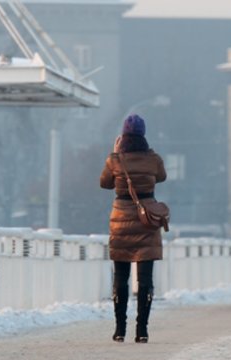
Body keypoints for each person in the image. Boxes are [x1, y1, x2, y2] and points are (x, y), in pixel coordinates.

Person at [100, 114, 167, 343]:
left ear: (123, 136)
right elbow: (162, 177)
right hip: (147, 221)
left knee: (121, 277)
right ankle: (142, 330)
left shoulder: (116, 160)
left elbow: (104, 183)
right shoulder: (153, 159)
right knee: (145, 280)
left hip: (120, 222)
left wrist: (115, 153)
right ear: (143, 135)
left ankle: (120, 330)